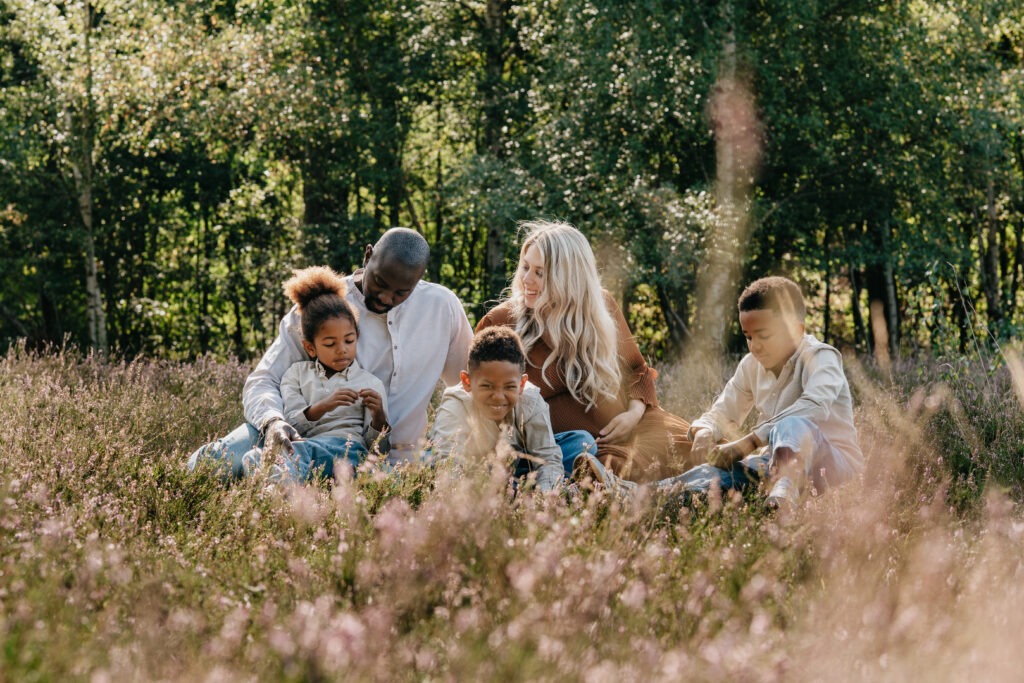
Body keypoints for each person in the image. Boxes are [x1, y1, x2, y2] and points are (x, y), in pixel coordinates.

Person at [188, 228, 474, 478]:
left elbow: (469, 385)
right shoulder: (324, 307)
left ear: (420, 278)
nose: (386, 298)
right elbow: (264, 380)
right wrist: (273, 422)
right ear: (367, 256)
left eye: (401, 292)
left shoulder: (443, 306)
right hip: (298, 440)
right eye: (380, 283)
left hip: (394, 461)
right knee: (209, 465)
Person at [475, 219, 697, 484]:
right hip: (574, 449)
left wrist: (633, 414)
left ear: (569, 277)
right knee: (601, 474)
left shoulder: (600, 306)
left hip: (636, 426)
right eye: (525, 267)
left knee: (708, 451)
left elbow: (637, 370)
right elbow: (479, 397)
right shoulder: (500, 322)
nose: (525, 280)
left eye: (540, 272)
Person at [659, 275, 862, 508]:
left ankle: (785, 493)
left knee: (792, 424)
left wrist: (750, 441)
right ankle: (633, 493)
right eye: (748, 337)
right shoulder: (750, 364)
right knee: (710, 474)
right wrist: (704, 430)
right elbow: (724, 410)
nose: (755, 346)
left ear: (797, 331)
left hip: (834, 466)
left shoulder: (822, 357)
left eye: (764, 336)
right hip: (771, 466)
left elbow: (815, 405)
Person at [243, 266, 389, 484]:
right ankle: (277, 486)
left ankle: (277, 488)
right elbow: (293, 424)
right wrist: (324, 406)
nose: (342, 350)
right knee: (265, 455)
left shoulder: (369, 383)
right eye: (330, 344)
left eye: (349, 341)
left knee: (290, 457)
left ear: (357, 336)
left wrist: (379, 418)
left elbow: (377, 449)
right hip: (309, 449)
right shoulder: (296, 375)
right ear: (310, 348)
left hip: (351, 454)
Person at [427, 327, 571, 493]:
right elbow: (448, 463)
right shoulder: (455, 404)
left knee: (579, 440)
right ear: (467, 382)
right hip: (470, 475)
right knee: (428, 463)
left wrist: (545, 498)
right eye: (487, 386)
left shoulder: (529, 400)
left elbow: (547, 458)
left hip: (514, 467)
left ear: (522, 385)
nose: (498, 397)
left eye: (509, 387)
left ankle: (585, 480)